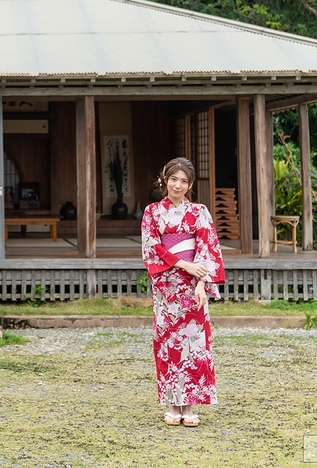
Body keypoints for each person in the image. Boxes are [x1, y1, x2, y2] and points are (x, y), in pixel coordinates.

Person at [140, 156, 226, 428]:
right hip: (167, 285)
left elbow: (207, 247)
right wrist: (182, 264)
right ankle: (172, 405)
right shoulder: (152, 212)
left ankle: (189, 407)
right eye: (173, 179)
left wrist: (201, 282)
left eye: (184, 181)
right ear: (164, 180)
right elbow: (152, 246)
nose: (178, 185)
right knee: (169, 346)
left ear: (190, 185)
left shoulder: (199, 211)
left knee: (194, 346)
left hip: (193, 285)